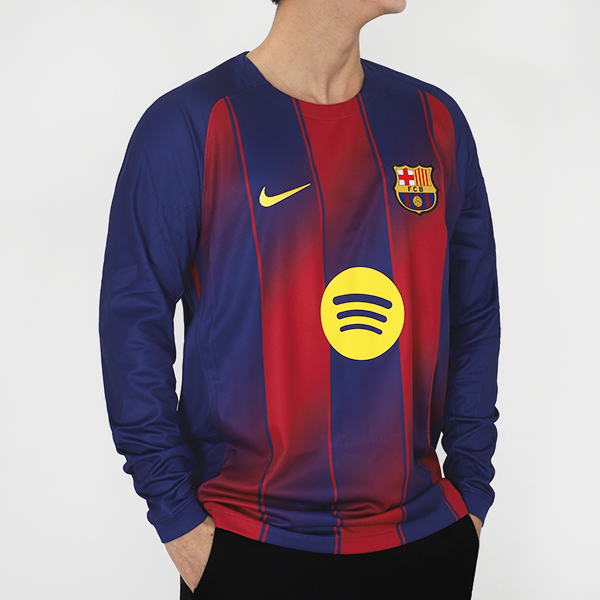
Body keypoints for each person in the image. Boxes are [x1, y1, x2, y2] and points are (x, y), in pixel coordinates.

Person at [99, 0, 500, 598]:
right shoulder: (192, 123)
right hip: (249, 544)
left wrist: (470, 492)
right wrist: (177, 518)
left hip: (423, 541)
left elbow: (474, 314)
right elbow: (132, 323)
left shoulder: (434, 120)